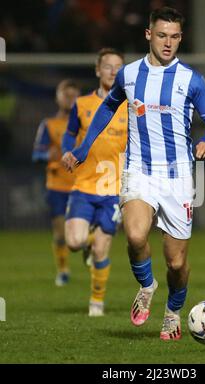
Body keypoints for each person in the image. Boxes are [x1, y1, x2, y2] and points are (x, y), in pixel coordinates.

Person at [62, 7, 205, 339]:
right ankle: (147, 286)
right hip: (139, 171)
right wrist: (84, 148)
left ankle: (173, 312)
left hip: (179, 177)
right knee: (136, 236)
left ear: (181, 38)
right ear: (149, 34)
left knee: (177, 264)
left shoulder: (191, 79)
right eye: (162, 35)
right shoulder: (130, 74)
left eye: (175, 36)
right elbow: (109, 105)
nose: (168, 43)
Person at [61, 48, 128, 317]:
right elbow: (70, 134)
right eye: (108, 66)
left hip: (114, 190)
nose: (113, 71)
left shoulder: (131, 105)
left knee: (102, 249)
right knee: (74, 242)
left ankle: (96, 302)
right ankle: (86, 244)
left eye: (118, 66)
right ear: (98, 70)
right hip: (84, 185)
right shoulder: (82, 104)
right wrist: (68, 151)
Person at [32, 79, 80, 286]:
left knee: (86, 232)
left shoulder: (85, 123)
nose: (70, 99)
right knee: (60, 233)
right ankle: (63, 270)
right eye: (65, 95)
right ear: (57, 97)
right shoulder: (49, 124)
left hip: (82, 185)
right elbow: (36, 153)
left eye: (73, 95)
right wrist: (47, 155)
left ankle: (90, 251)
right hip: (57, 186)